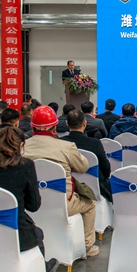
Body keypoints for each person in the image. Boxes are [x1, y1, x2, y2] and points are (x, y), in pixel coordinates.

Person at [0, 126, 59, 272]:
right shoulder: (25, 166)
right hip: (16, 233)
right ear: (21, 145)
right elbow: (33, 206)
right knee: (37, 233)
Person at [23, 105, 98, 257]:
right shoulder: (66, 147)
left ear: (32, 126)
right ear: (55, 127)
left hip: (29, 203)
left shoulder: (22, 147)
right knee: (90, 204)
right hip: (64, 203)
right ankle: (87, 246)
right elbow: (83, 167)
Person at [61, 110, 112, 203]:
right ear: (84, 123)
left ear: (67, 123)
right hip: (95, 189)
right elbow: (106, 170)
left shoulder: (61, 143)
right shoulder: (95, 143)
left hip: (68, 187)